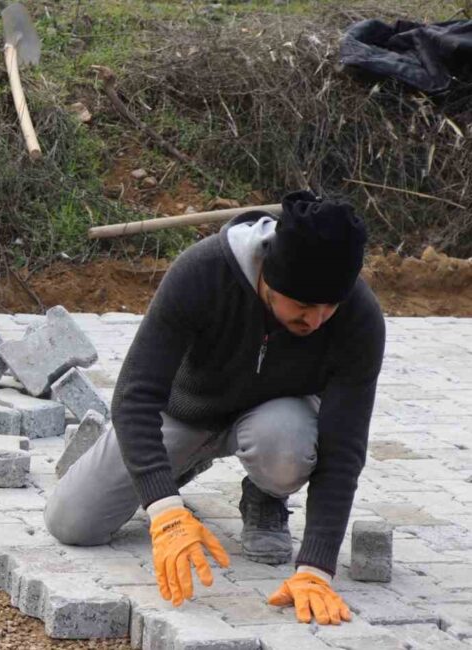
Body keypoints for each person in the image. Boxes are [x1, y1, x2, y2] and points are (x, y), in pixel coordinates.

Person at [44, 191, 385, 625]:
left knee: (286, 443)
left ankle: (265, 493)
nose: (316, 321)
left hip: (275, 424)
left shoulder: (359, 317)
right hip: (185, 413)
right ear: (269, 277)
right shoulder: (202, 272)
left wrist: (316, 569)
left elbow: (345, 446)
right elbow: (134, 394)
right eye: (302, 306)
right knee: (72, 522)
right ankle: (178, 469)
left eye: (328, 308)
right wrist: (165, 509)